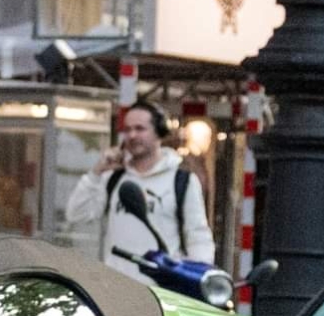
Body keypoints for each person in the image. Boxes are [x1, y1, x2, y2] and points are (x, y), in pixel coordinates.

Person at [65, 98, 214, 279]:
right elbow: (76, 214)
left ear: (159, 132)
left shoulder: (182, 181)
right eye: (127, 130)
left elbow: (197, 235)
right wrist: (97, 172)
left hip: (162, 291)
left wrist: (197, 279)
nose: (132, 136)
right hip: (117, 288)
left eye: (140, 129)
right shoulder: (114, 178)